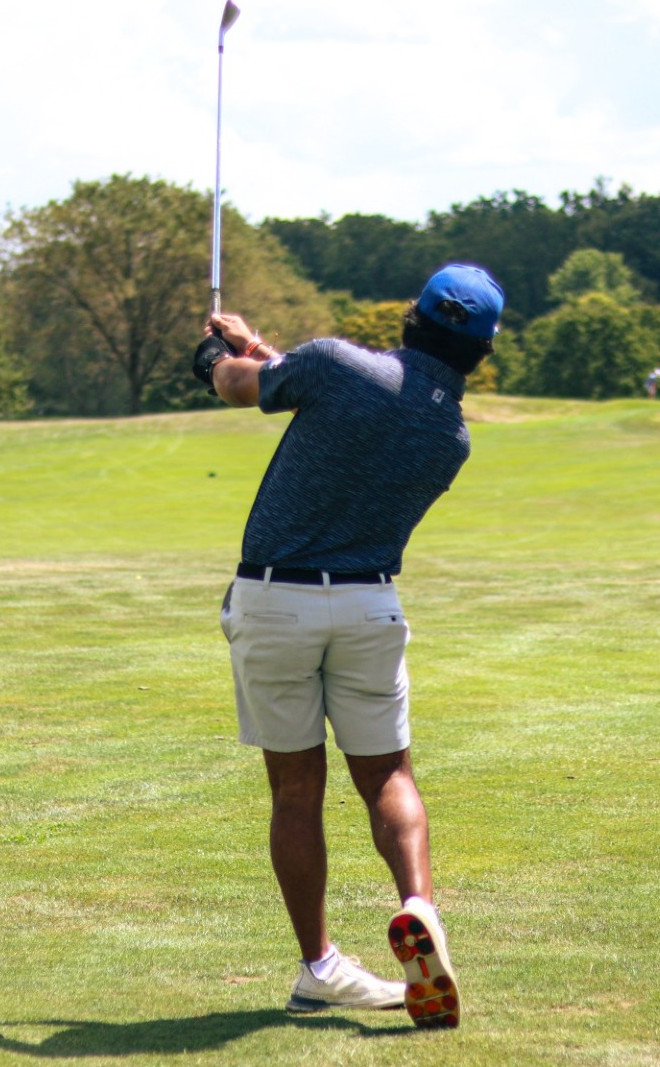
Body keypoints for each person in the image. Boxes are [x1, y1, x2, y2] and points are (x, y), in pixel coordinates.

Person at [193, 263, 500, 1030]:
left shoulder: (334, 364)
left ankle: (321, 967)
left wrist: (216, 355)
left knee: (297, 788)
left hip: (274, 601)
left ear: (410, 316)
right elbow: (345, 390)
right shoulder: (451, 438)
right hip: (369, 605)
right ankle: (419, 908)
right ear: (480, 353)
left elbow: (238, 387)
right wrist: (260, 346)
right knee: (388, 773)